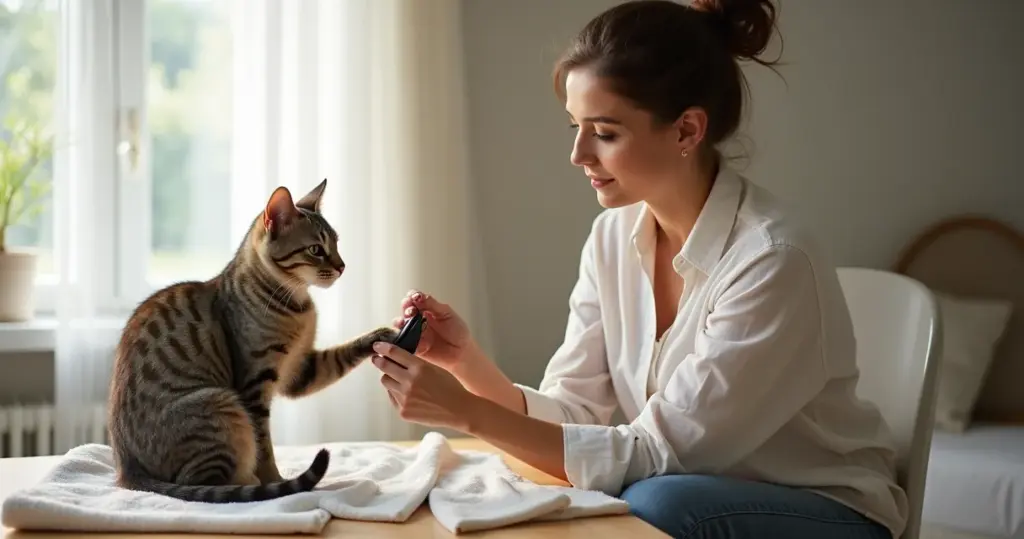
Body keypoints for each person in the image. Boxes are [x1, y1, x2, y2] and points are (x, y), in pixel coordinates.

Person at [368, 0, 908, 537]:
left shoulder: (772, 258)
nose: (578, 154)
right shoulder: (612, 237)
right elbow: (579, 417)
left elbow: (656, 455)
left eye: (604, 132)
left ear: (686, 131)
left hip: (823, 509)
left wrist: (468, 414)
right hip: (684, 486)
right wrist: (468, 366)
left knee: (650, 499)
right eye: (575, 126)